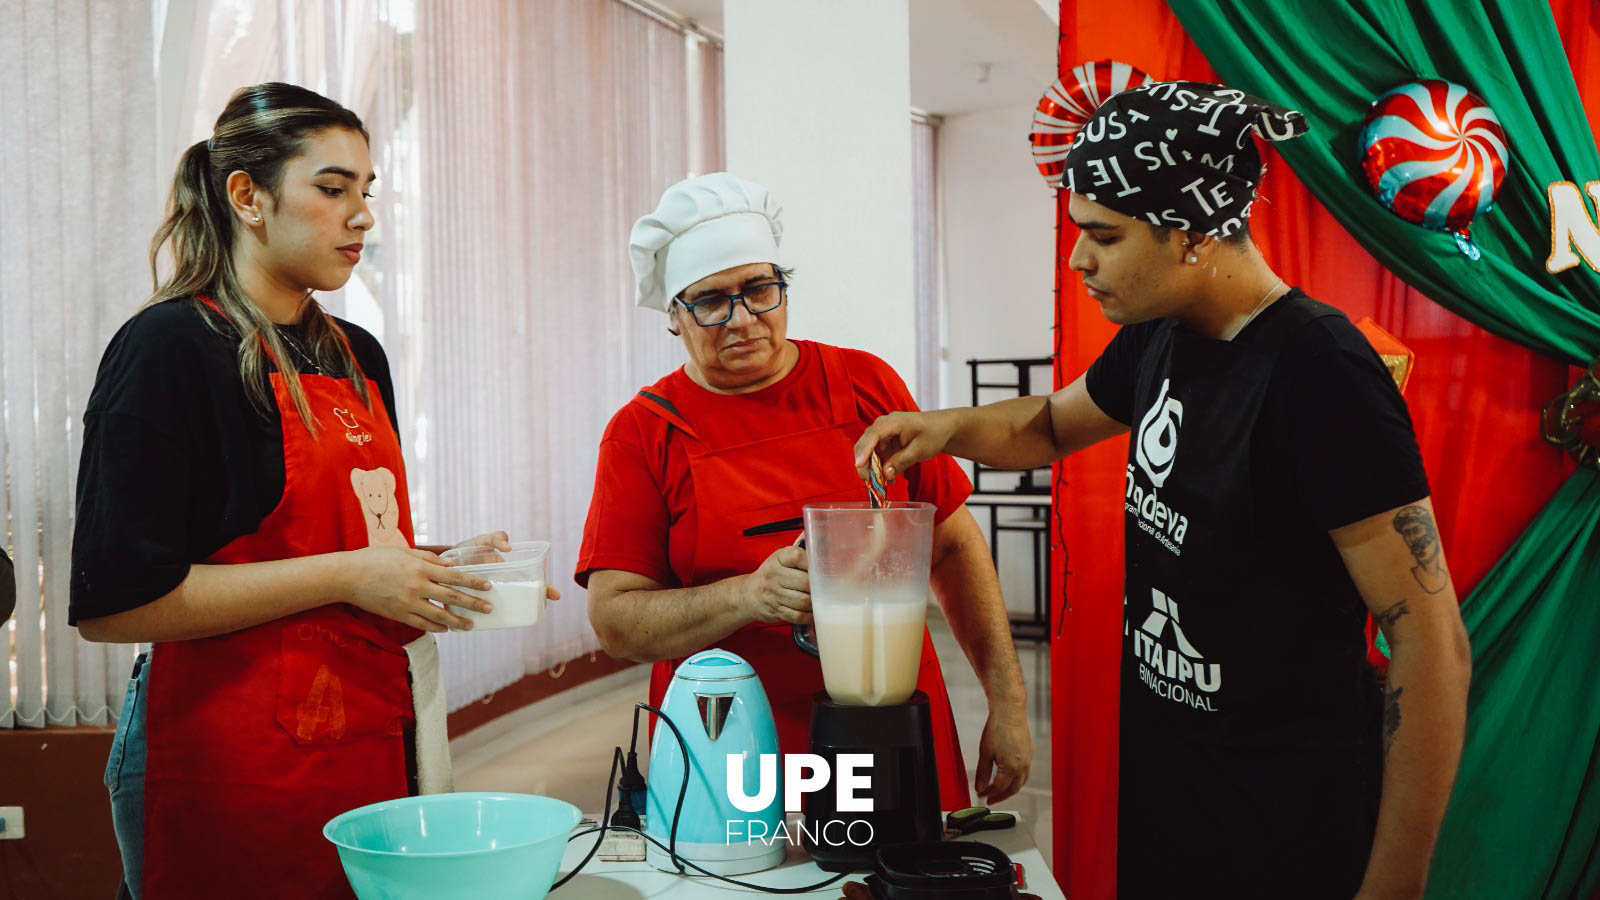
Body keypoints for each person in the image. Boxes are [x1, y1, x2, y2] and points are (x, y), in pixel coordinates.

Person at [854, 82, 1471, 898]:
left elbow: (1432, 645)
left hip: (1286, 817)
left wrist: (1393, 886)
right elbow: (1049, 423)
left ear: (1190, 236)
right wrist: (942, 427)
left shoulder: (1321, 374)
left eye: (1103, 237)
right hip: (1173, 787)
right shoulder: (1160, 334)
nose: (1079, 260)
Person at [70, 83, 555, 898]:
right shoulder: (170, 349)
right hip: (226, 755)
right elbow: (116, 604)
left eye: (367, 193)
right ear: (246, 197)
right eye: (333, 190)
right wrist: (350, 576)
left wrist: (431, 569)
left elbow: (349, 547)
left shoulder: (356, 352)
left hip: (362, 731)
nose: (362, 216)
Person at [578, 173, 1032, 811]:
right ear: (673, 317)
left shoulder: (865, 385)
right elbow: (615, 620)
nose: (742, 320)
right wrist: (749, 595)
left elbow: (952, 544)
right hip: (727, 738)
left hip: (889, 719)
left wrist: (1006, 703)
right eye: (710, 301)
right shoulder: (644, 433)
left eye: (760, 290)